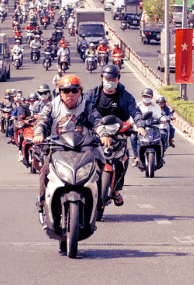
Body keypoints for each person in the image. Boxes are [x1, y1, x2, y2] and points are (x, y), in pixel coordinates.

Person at [34, 75, 100, 211]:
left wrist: (103, 134)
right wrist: (39, 134)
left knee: (98, 169)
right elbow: (41, 121)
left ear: (80, 92)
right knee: (45, 171)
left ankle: (96, 202)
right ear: (59, 92)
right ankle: (42, 203)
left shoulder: (86, 105)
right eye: (66, 90)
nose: (70, 94)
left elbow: (97, 120)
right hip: (57, 149)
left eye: (74, 91)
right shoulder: (51, 106)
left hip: (83, 148)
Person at [85, 64, 145, 205]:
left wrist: (140, 125)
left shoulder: (125, 96)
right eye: (107, 78)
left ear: (118, 79)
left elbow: (135, 110)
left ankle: (116, 190)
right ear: (101, 78)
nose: (110, 81)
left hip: (118, 135)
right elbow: (82, 106)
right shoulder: (93, 94)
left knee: (123, 160)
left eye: (113, 79)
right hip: (95, 133)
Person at [132, 87, 163, 167]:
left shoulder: (156, 106)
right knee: (133, 137)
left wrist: (162, 119)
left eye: (148, 96)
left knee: (162, 135)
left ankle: (161, 156)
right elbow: (133, 115)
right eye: (145, 96)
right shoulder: (137, 106)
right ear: (142, 96)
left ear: (151, 97)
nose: (146, 98)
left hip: (153, 127)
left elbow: (160, 116)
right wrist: (132, 121)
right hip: (140, 128)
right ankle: (136, 157)